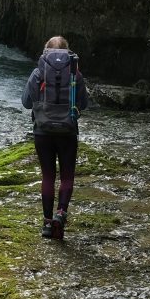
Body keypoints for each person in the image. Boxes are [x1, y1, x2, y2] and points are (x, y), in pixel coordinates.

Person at [21, 36, 90, 240]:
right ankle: (61, 213)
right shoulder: (75, 74)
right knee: (67, 176)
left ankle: (47, 224)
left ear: (45, 53)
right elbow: (84, 104)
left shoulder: (38, 72)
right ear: (68, 52)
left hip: (42, 131)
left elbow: (26, 102)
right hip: (68, 132)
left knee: (48, 176)